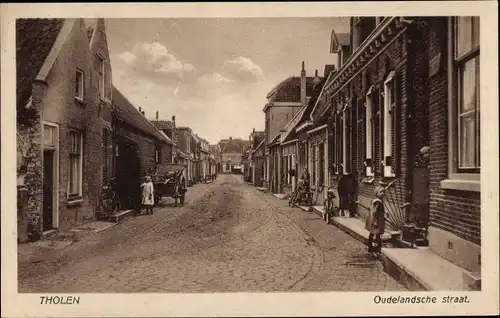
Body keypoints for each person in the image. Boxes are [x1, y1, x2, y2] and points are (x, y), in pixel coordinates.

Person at [354, 185, 387, 255]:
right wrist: (375, 221)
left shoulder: (374, 200)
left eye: (384, 192)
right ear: (376, 193)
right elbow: (375, 211)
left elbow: (371, 208)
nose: (383, 193)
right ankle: (377, 248)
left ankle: (371, 247)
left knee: (372, 233)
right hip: (377, 220)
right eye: (381, 192)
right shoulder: (378, 202)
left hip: (374, 218)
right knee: (377, 234)